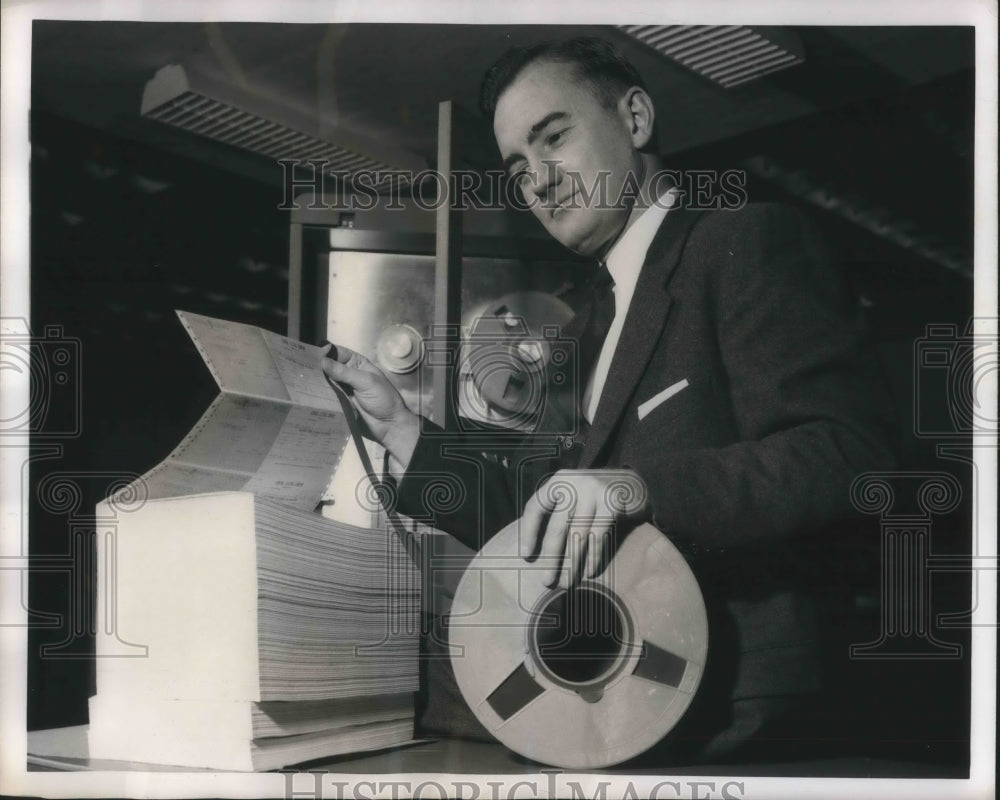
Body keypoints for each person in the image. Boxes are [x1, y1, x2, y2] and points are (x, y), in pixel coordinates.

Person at [323, 37, 896, 762]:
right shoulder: (588, 320)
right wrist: (404, 431)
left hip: (746, 718)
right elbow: (553, 518)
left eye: (553, 137)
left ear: (634, 117)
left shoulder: (745, 241)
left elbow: (846, 455)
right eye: (518, 167)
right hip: (620, 709)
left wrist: (641, 490)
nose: (538, 179)